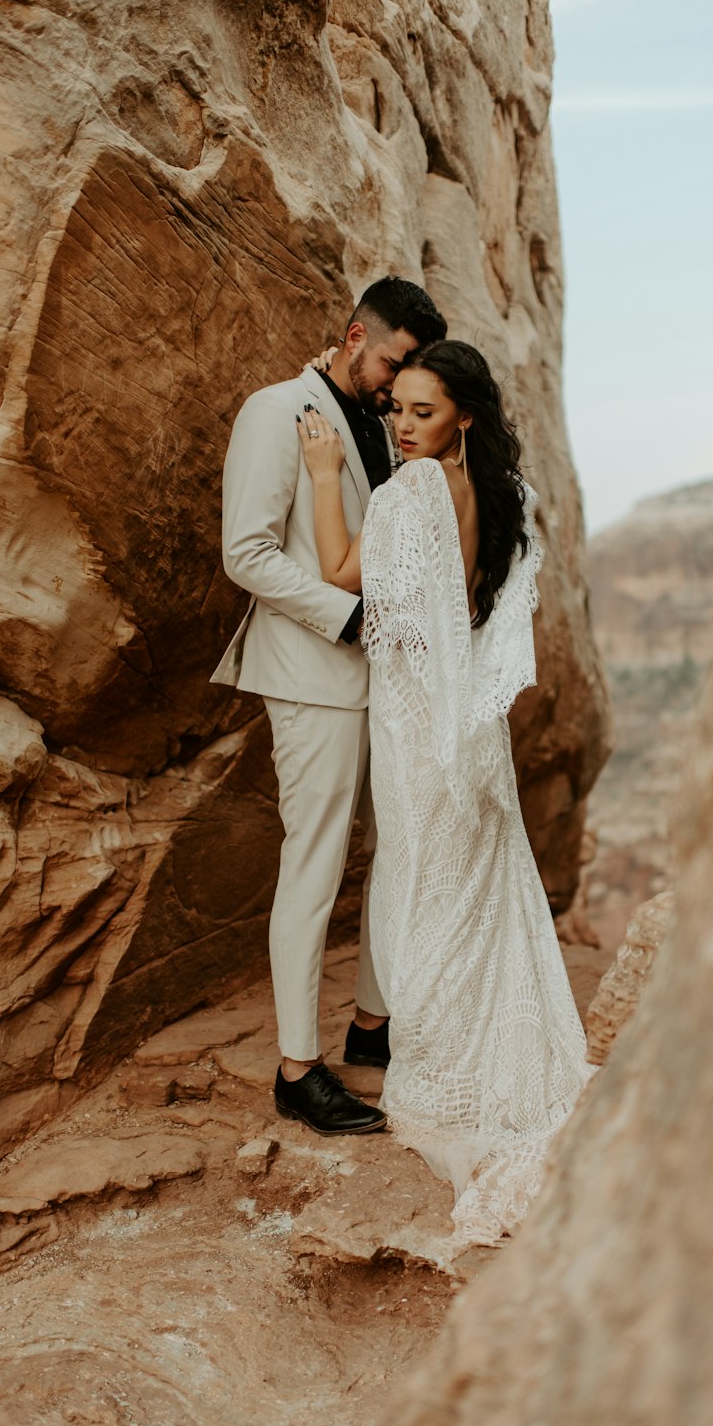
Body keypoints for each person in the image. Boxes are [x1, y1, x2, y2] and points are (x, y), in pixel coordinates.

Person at [298, 340, 594, 1249]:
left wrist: (321, 470)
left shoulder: (414, 492)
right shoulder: (507, 497)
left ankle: (438, 1058)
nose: (405, 425)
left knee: (424, 882)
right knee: (475, 889)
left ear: (464, 414)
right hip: (471, 726)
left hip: (418, 723)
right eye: (399, 409)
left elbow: (342, 571)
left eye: (424, 412)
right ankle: (471, 1042)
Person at [211, 277, 448, 1136]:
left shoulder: (389, 428)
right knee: (313, 864)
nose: (399, 382)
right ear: (355, 337)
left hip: (388, 681)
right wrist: (347, 617)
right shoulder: (274, 411)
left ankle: (371, 1030)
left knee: (398, 849)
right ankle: (297, 1069)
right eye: (393, 361)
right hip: (313, 674)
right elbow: (247, 551)